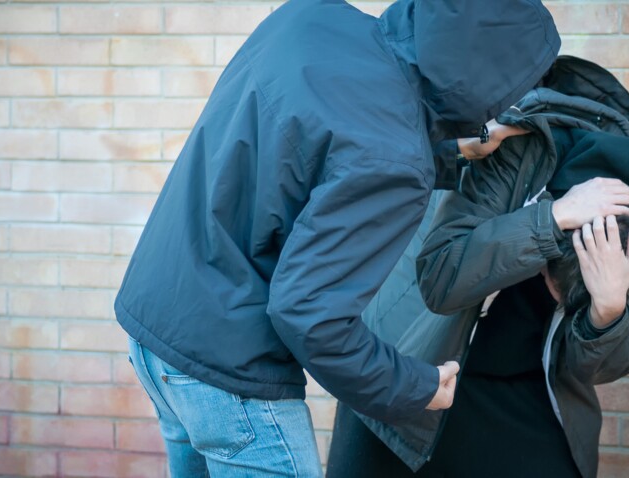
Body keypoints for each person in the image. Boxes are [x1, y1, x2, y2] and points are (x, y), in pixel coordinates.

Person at [115, 0, 563, 475]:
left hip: (157, 332)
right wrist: (416, 387)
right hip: (230, 374)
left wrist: (445, 151)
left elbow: (324, 147)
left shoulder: (309, 16)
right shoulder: (393, 158)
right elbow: (310, 316)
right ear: (490, 73)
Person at [326, 57, 629, 478]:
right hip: (415, 360)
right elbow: (442, 278)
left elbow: (594, 368)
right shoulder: (513, 145)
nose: (547, 289)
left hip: (530, 397)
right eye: (548, 278)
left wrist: (607, 312)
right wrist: (551, 220)